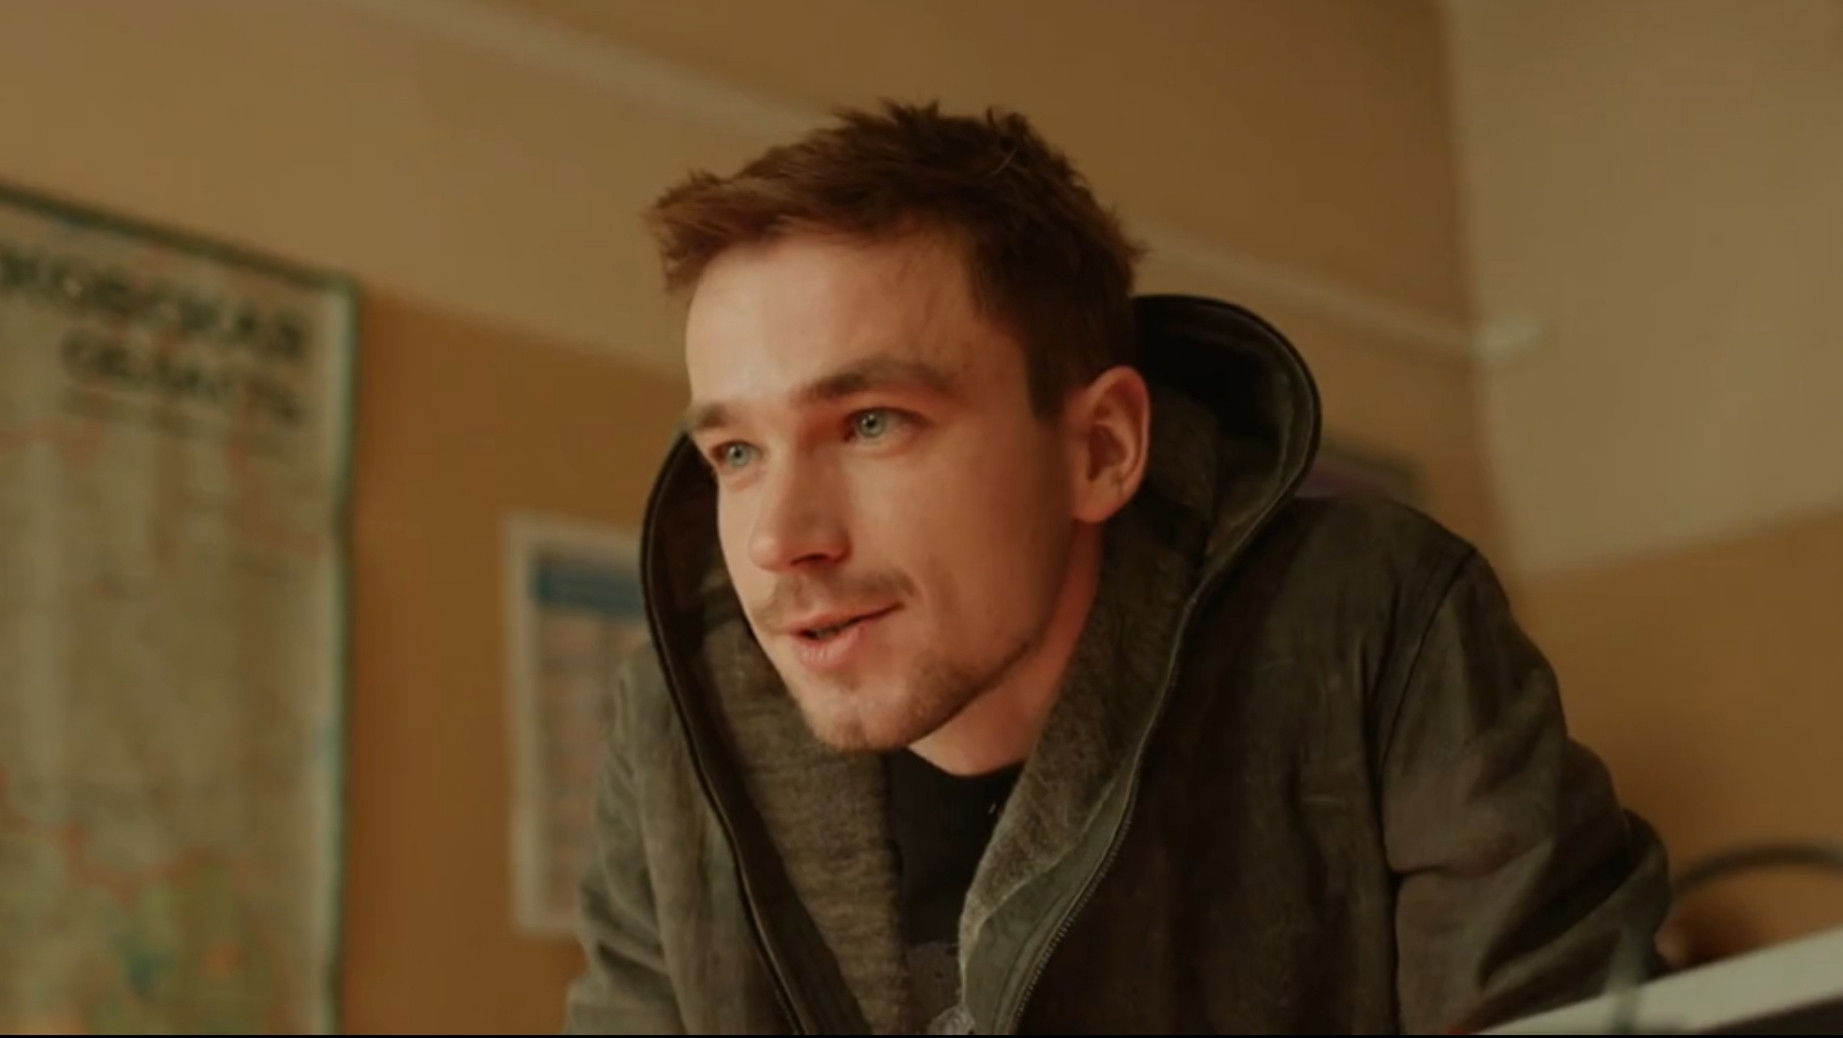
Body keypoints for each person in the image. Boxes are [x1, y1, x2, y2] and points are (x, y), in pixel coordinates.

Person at [563, 101, 1669, 1035]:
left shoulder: (1372, 625)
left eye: (871, 424)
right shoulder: (672, 737)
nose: (777, 539)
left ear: (1098, 449)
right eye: (736, 453)